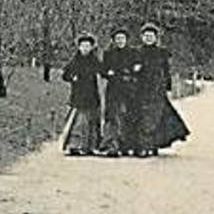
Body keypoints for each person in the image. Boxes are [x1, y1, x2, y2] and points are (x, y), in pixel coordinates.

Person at [125, 22, 189, 157]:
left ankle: (150, 146)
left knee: (154, 119)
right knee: (139, 117)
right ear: (142, 37)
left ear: (156, 38)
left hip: (156, 91)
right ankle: (141, 146)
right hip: (140, 90)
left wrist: (168, 87)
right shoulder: (137, 52)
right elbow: (131, 70)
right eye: (146, 36)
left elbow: (166, 71)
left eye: (151, 36)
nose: (148, 38)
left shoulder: (162, 53)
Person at [61, 35, 105, 156]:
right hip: (78, 95)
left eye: (88, 46)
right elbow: (65, 75)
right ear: (79, 47)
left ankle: (90, 146)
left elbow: (102, 71)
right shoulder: (75, 61)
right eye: (83, 46)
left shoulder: (94, 61)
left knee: (91, 121)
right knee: (79, 122)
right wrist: (72, 77)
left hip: (92, 95)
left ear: (91, 48)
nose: (85, 48)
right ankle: (75, 145)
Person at [99, 28, 135, 157]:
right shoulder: (109, 54)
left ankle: (125, 145)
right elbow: (102, 70)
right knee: (112, 116)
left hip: (128, 89)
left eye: (122, 38)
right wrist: (108, 73)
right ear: (114, 40)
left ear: (126, 40)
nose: (120, 41)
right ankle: (112, 145)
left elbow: (137, 68)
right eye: (117, 39)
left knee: (126, 116)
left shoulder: (132, 53)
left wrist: (132, 72)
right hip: (113, 89)